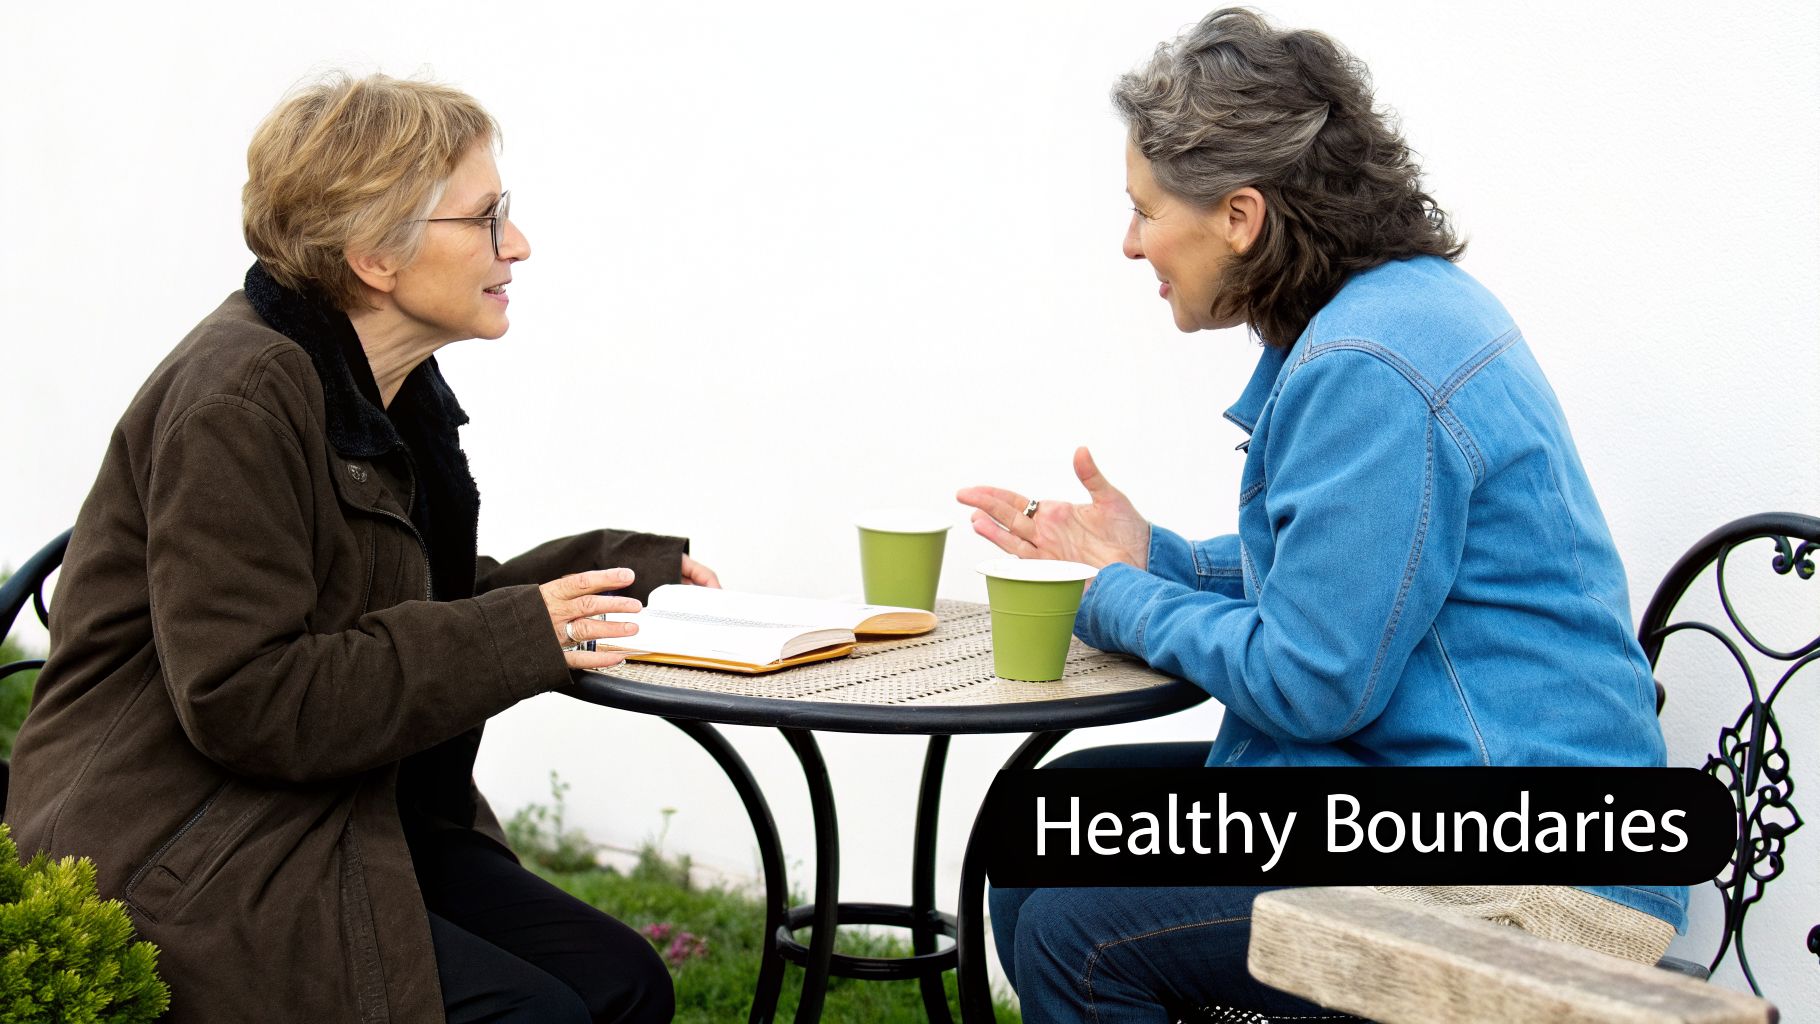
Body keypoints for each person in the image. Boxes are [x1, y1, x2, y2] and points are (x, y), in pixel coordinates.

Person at [956, 9, 1686, 1021]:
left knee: (1083, 936)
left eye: (1144, 208)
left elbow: (1311, 680)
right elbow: (1351, 583)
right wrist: (1151, 559)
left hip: (1523, 875)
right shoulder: (1390, 312)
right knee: (1038, 826)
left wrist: (1115, 596)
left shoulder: (1367, 365)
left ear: (1239, 217)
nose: (1129, 244)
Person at [4, 73, 708, 1023]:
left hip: (349, 808)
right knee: (536, 1015)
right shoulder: (240, 401)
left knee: (622, 984)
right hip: (189, 852)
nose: (520, 244)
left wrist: (621, 574)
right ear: (377, 255)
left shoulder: (382, 384)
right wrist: (517, 634)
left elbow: (400, 600)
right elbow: (246, 696)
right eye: (487, 216)